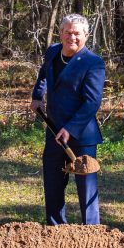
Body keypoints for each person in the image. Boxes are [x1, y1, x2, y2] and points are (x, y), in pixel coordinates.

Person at [30, 13, 105, 225]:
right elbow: (44, 74)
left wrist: (70, 128)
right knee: (53, 183)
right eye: (68, 32)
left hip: (81, 136)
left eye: (77, 33)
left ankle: (91, 232)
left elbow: (92, 102)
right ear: (61, 33)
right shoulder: (53, 51)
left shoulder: (93, 63)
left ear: (86, 36)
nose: (72, 37)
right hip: (54, 131)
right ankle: (55, 230)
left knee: (85, 186)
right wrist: (38, 95)